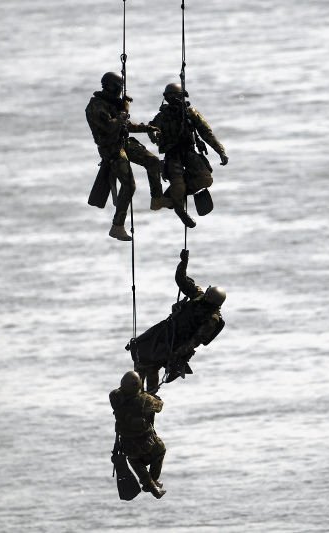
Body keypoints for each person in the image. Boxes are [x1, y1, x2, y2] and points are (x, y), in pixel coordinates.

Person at [86, 72, 172, 242]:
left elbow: (125, 126)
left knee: (153, 161)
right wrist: (123, 112)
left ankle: (157, 199)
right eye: (119, 88)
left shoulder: (112, 104)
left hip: (122, 142)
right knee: (129, 185)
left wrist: (148, 128)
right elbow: (111, 127)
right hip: (111, 149)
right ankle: (117, 226)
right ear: (113, 88)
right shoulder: (96, 106)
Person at [127, 249, 226, 392]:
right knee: (140, 351)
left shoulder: (212, 319)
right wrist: (183, 263)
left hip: (175, 344)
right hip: (166, 331)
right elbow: (181, 280)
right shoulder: (198, 296)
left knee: (152, 364)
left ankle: (147, 399)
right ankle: (137, 393)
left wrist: (176, 355)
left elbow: (195, 341)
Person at [147, 83, 228, 228]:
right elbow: (152, 130)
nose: (173, 99)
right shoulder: (162, 117)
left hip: (188, 151)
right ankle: (180, 209)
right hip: (172, 155)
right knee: (178, 185)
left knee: (205, 180)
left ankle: (173, 195)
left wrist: (220, 151)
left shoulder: (190, 113)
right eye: (170, 97)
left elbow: (206, 133)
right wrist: (153, 134)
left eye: (175, 96)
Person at [109, 370, 167, 499]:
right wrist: (153, 396)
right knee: (160, 450)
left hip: (127, 445)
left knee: (135, 461)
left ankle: (150, 484)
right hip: (145, 443)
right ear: (138, 385)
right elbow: (159, 406)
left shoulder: (114, 398)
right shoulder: (145, 400)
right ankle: (152, 483)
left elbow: (119, 391)